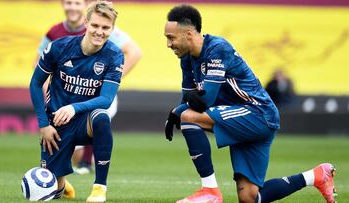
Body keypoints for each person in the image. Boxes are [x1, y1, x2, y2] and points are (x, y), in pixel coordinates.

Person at [164, 4, 336, 203]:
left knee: (189, 118)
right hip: (242, 115)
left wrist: (181, 111)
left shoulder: (217, 48)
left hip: (258, 114)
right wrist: (177, 110)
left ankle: (209, 191)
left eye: (171, 38)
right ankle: (316, 176)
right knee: (249, 198)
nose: (168, 44)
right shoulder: (186, 60)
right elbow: (188, 98)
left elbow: (204, 101)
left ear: (188, 34)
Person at [36, 0, 142, 176]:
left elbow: (135, 52)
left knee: (99, 119)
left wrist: (111, 79)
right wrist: (49, 91)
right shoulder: (54, 33)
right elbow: (39, 65)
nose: (72, 7)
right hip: (65, 97)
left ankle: (92, 172)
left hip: (95, 96)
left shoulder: (102, 29)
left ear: (84, 6)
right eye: (68, 3)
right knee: (61, 163)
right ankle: (69, 173)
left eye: (77, 3)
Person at [30, 2, 123, 202]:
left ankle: (99, 188)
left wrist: (74, 108)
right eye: (95, 26)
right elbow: (35, 83)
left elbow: (106, 100)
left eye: (106, 28)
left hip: (85, 120)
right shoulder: (58, 47)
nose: (100, 32)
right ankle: (62, 183)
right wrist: (43, 124)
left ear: (112, 28)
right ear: (86, 23)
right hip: (57, 123)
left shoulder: (114, 54)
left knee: (101, 117)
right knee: (52, 191)